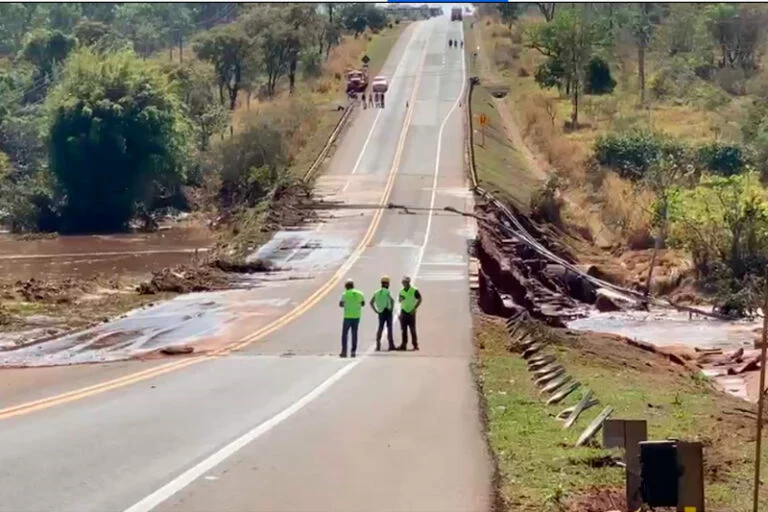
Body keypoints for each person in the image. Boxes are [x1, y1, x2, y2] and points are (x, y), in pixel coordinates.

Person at [339, 279, 365, 358]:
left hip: (347, 316)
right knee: (354, 334)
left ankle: (344, 351)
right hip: (356, 316)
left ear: (346, 286)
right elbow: (363, 303)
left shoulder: (344, 294)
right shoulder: (360, 294)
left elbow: (341, 304)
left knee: (344, 334)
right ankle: (353, 351)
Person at [370, 275, 395, 351]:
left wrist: (375, 310)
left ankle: (378, 344)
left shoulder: (376, 292)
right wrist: (392, 309)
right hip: (387, 311)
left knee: (380, 327)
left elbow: (371, 302)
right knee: (389, 328)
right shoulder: (387, 291)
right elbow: (392, 300)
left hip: (380, 312)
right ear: (387, 283)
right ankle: (391, 345)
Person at [397, 276, 422, 351]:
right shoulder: (401, 291)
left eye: (405, 282)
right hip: (404, 311)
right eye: (403, 282)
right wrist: (400, 299)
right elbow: (399, 300)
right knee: (403, 329)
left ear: (408, 282)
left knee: (412, 329)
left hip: (411, 312)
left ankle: (415, 344)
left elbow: (420, 299)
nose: (404, 284)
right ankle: (403, 344)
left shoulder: (414, 290)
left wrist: (414, 308)